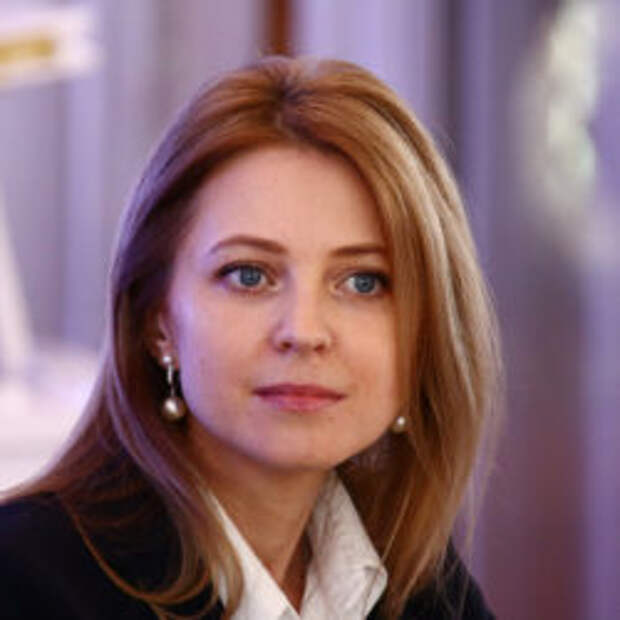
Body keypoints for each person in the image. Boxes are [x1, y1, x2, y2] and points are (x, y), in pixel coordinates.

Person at [0, 56, 501, 619]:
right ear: (158, 321)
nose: (304, 332)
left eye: (363, 282)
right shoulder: (22, 583)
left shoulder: (427, 591)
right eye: (248, 275)